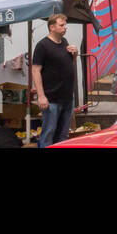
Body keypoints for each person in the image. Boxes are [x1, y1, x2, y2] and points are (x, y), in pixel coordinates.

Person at [32, 12, 79, 147]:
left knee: (63, 134)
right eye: (62, 25)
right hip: (51, 98)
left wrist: (75, 54)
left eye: (65, 24)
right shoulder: (43, 45)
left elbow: (69, 63)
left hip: (67, 97)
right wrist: (41, 96)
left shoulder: (64, 42)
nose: (65, 27)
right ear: (52, 27)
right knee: (48, 133)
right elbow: (36, 71)